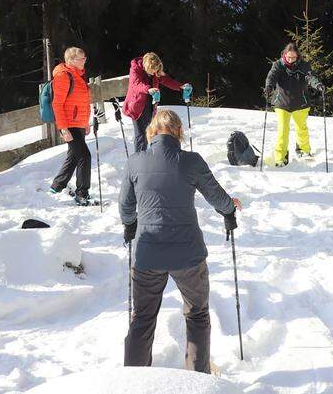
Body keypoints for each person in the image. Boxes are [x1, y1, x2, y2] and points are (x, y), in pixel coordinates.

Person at [120, 109, 241, 372]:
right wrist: (229, 210)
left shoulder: (135, 162)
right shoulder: (192, 161)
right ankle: (197, 380)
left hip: (147, 255)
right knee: (197, 315)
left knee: (142, 319)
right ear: (178, 133)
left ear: (151, 131)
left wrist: (130, 225)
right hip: (188, 254)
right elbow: (217, 197)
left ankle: (133, 381)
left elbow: (125, 207)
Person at [263, 43, 324, 166]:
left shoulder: (304, 66)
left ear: (298, 56)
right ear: (284, 54)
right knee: (282, 131)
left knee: (301, 128)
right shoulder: (278, 65)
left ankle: (303, 150)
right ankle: (281, 157)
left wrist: (318, 85)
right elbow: (272, 76)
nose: (290, 60)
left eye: (293, 58)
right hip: (282, 103)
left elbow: (310, 77)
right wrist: (269, 86)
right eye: (288, 57)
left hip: (301, 103)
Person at [48, 47, 95, 205]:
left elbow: (82, 103)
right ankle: (82, 193)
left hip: (78, 123)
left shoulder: (79, 76)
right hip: (69, 124)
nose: (84, 61)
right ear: (71, 60)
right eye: (81, 59)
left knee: (74, 155)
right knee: (84, 156)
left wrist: (85, 122)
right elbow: (57, 104)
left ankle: (57, 185)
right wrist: (63, 129)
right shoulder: (63, 76)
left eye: (85, 58)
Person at [123, 52, 190, 153]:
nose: (152, 73)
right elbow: (136, 85)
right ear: (146, 66)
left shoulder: (156, 70)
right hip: (137, 105)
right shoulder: (135, 68)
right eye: (151, 71)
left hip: (150, 104)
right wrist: (148, 89)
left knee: (152, 131)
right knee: (141, 134)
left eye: (155, 71)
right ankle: (139, 159)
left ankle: (154, 155)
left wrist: (179, 86)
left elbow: (166, 80)